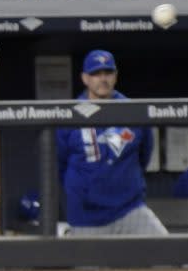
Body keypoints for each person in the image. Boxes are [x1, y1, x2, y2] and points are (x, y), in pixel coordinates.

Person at [56, 49, 168, 236]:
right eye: (96, 74)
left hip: (130, 210)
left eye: (107, 73)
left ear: (115, 76)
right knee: (85, 265)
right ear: (85, 78)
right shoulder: (69, 116)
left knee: (170, 254)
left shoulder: (134, 111)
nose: (103, 79)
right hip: (86, 217)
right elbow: (59, 166)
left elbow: (144, 156)